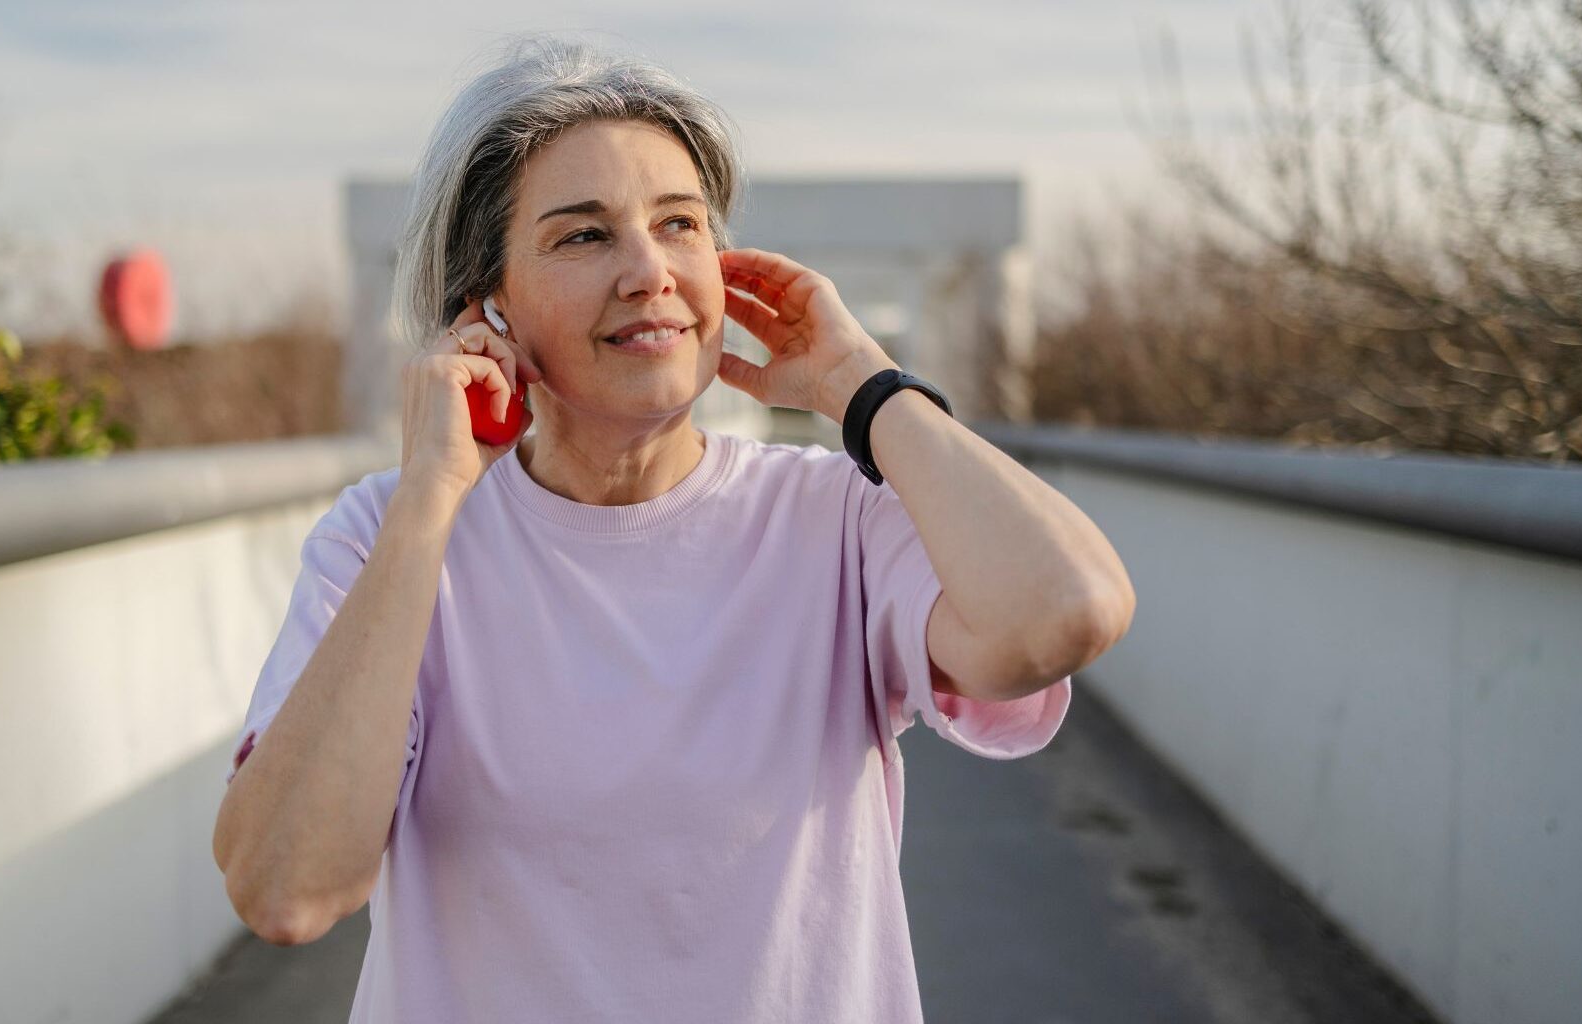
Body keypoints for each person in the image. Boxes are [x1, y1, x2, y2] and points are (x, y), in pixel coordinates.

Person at [211, 33, 1135, 1023]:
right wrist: (428, 502)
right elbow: (286, 888)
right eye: (583, 236)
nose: (650, 270)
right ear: (489, 305)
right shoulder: (386, 535)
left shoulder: (838, 521)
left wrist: (866, 389)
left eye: (680, 224)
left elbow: (1069, 609)